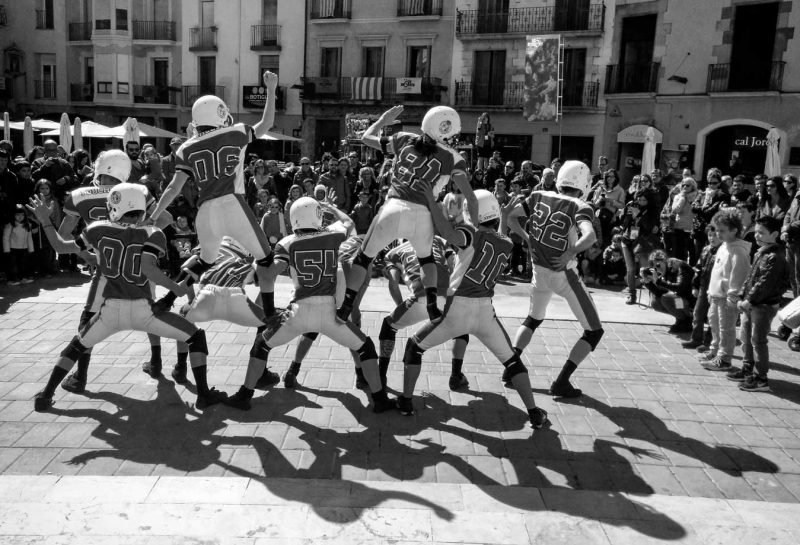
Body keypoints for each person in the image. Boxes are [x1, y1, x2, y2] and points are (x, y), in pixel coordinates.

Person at [32, 183, 227, 412]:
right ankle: (203, 395)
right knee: (196, 337)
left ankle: (45, 396)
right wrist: (175, 287)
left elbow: (59, 245)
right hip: (143, 311)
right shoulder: (152, 233)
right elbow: (148, 268)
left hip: (110, 311)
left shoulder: (97, 228)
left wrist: (45, 219)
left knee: (76, 345)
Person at [223, 197, 395, 413]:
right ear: (317, 215)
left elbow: (268, 276)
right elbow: (350, 223)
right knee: (365, 347)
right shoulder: (334, 234)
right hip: (331, 313)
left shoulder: (286, 243)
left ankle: (244, 395)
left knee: (262, 344)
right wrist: (332, 207)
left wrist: (268, 312)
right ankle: (380, 399)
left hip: (299, 312)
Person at [399, 189, 548, 428]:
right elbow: (497, 235)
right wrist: (506, 215)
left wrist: (431, 202)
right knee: (512, 360)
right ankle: (533, 411)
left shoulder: (470, 234)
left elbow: (448, 233)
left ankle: (406, 402)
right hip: (485, 312)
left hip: (457, 308)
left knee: (414, 348)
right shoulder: (506, 243)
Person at [28, 150, 171, 392]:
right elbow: (165, 219)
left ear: (100, 169)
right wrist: (143, 231)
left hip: (107, 266)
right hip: (139, 265)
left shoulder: (80, 196)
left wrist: (88, 253)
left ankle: (80, 375)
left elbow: (63, 238)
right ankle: (156, 362)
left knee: (88, 320)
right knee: (150, 312)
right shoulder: (138, 192)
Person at [148, 71, 279, 312]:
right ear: (220, 113)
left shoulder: (186, 148)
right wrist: (271, 90)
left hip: (205, 213)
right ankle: (269, 315)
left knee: (203, 261)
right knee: (267, 259)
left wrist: (154, 215)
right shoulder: (236, 131)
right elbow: (267, 123)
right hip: (233, 205)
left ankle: (167, 300)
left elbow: (173, 187)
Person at [337, 105, 478, 324]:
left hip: (392, 208)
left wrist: (383, 119)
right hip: (422, 214)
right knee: (427, 259)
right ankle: (432, 305)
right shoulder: (454, 158)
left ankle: (346, 306)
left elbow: (366, 138)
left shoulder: (404, 139)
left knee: (363, 259)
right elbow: (471, 197)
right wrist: (474, 226)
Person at [503, 160, 604, 398]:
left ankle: (511, 369)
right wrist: (570, 251)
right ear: (584, 183)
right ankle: (562, 382)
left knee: (532, 319)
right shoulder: (581, 205)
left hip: (539, 270)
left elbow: (510, 219)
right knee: (594, 331)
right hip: (563, 273)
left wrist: (527, 238)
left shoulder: (538, 195)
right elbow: (589, 237)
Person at [174, 236, 281, 388]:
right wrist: (262, 312)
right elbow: (267, 279)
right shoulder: (252, 250)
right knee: (266, 324)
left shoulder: (209, 246)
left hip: (205, 298)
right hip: (236, 299)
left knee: (183, 318)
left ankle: (180, 368)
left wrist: (191, 299)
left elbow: (185, 269)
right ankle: (261, 374)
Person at [380, 236, 468, 390]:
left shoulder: (393, 252)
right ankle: (456, 375)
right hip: (445, 296)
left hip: (421, 298)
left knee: (388, 326)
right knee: (461, 330)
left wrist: (400, 306)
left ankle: (381, 376)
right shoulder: (437, 239)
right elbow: (453, 264)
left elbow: (393, 281)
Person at [726, 216, 788, 391]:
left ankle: (761, 378)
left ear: (775, 234)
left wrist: (749, 300)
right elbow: (751, 277)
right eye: (756, 231)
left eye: (762, 233)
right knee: (746, 337)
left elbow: (765, 283)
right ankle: (748, 368)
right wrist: (741, 295)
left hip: (763, 305)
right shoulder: (762, 252)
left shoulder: (775, 257)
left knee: (758, 340)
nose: (757, 235)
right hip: (751, 303)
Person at [700, 209, 751, 372]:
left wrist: (733, 295)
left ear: (734, 230)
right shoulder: (724, 246)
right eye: (717, 230)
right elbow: (717, 271)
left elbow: (739, 275)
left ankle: (724, 358)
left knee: (726, 328)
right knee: (714, 323)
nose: (718, 234)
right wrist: (710, 291)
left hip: (727, 298)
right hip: (715, 295)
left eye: (722, 230)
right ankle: (715, 350)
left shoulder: (738, 251)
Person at [682, 224, 721, 350]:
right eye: (710, 235)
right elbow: (698, 269)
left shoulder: (723, 251)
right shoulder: (706, 249)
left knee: (712, 316)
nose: (712, 238)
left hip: (716, 288)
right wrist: (695, 285)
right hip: (704, 286)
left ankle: (708, 342)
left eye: (715, 235)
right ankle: (695, 339)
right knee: (698, 313)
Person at [621, 189, 661, 305]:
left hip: (642, 241)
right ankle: (631, 294)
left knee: (645, 270)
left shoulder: (653, 210)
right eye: (639, 199)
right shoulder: (631, 205)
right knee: (630, 269)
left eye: (644, 200)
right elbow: (623, 223)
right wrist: (629, 215)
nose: (641, 201)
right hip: (627, 239)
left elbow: (649, 226)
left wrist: (638, 214)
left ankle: (654, 295)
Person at [640, 249, 695, 333]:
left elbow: (680, 287)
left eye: (658, 265)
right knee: (656, 302)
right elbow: (659, 293)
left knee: (667, 297)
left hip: (691, 302)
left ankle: (687, 320)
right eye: (654, 267)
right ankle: (681, 320)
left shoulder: (679, 265)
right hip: (680, 300)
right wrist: (648, 283)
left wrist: (659, 282)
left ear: (664, 260)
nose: (657, 269)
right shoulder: (663, 272)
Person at [691, 168, 730, 265]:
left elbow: (711, 211)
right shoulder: (702, 193)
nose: (712, 185)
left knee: (712, 253)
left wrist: (701, 209)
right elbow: (693, 207)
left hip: (713, 228)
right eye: (710, 183)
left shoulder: (723, 195)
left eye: (714, 183)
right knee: (697, 254)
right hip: (699, 227)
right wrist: (703, 209)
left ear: (719, 183)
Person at [782, 175, 800, 350]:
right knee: (793, 279)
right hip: (791, 241)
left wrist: (789, 227)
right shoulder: (797, 196)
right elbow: (788, 214)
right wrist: (784, 228)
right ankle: (794, 312)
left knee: (799, 279)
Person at [3, 204, 35, 285]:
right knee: (12, 265)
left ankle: (23, 278)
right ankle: (11, 280)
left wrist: (31, 249)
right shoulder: (10, 225)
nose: (20, 217)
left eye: (22, 215)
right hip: (12, 248)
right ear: (13, 215)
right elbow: (5, 238)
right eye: (17, 215)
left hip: (24, 248)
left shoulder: (27, 225)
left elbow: (29, 237)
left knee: (23, 264)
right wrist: (6, 249)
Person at [670, 177, 698, 263]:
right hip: (679, 228)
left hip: (693, 229)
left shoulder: (696, 196)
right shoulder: (678, 197)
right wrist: (682, 198)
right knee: (680, 253)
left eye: (687, 185)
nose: (685, 187)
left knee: (693, 253)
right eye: (683, 185)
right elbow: (675, 210)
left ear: (692, 186)